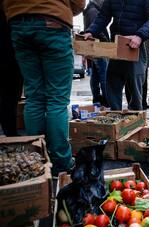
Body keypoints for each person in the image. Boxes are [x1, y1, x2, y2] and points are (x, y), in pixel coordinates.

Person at [2, 0, 85, 174]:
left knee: (34, 97)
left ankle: (35, 160)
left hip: (18, 23)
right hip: (52, 21)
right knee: (56, 100)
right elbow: (79, 3)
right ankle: (61, 163)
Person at [84, 0, 149, 111]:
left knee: (135, 85)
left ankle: (136, 118)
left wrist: (140, 36)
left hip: (137, 43)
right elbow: (103, 16)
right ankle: (116, 117)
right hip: (117, 43)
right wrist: (91, 31)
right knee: (113, 81)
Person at [0, 7, 23, 137]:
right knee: (10, 95)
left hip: (10, 48)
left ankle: (10, 132)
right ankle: (11, 133)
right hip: (10, 51)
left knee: (8, 96)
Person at [83, 0, 110, 106]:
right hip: (99, 47)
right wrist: (107, 42)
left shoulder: (90, 10)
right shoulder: (93, 11)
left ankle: (97, 99)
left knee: (96, 75)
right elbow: (98, 29)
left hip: (94, 46)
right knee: (103, 75)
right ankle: (106, 101)